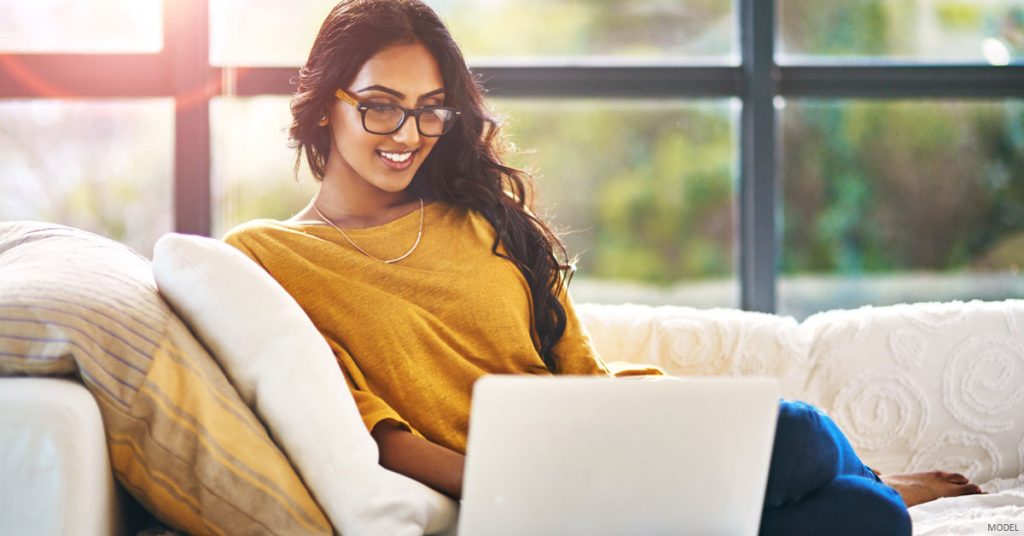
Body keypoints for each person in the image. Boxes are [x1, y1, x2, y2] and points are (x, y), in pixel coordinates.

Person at [223, 1, 982, 533]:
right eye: (381, 105)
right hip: (519, 491)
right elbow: (375, 433)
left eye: (431, 109)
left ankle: (873, 485)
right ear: (325, 103)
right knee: (850, 498)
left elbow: (575, 367)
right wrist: (525, 487)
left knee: (829, 466)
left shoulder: (475, 214)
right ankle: (862, 491)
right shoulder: (267, 258)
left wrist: (619, 459)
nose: (409, 133)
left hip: (608, 441)